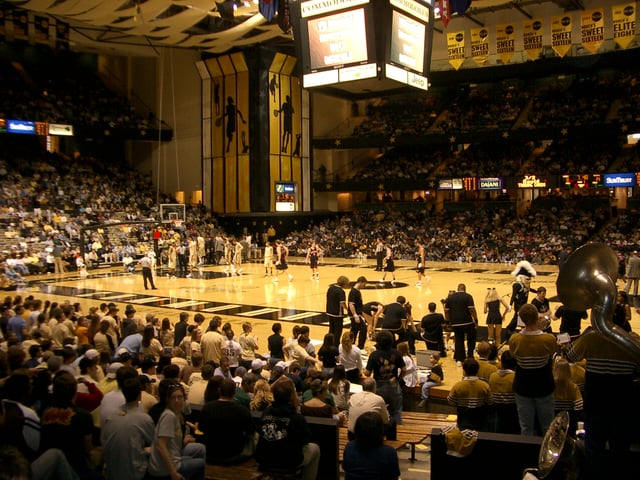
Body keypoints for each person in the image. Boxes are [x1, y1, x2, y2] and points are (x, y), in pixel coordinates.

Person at [565, 326, 639, 479]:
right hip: (622, 402)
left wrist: (583, 336)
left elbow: (572, 356)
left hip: (596, 402)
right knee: (620, 448)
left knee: (594, 447)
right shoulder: (632, 341)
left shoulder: (592, 337)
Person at [255, 380, 320, 480]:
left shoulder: (266, 412)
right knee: (315, 448)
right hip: (289, 462)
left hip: (264, 459)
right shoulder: (296, 417)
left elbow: (260, 431)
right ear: (290, 396)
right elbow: (305, 439)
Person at [508, 304, 556, 436]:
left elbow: (513, 355)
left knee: (525, 426)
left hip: (523, 387)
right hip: (544, 386)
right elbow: (552, 352)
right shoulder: (548, 338)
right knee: (548, 427)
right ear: (537, 317)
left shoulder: (514, 339)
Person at [148, 382, 206, 480]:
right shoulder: (169, 416)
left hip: (172, 460)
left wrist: (183, 443)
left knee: (198, 452)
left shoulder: (175, 414)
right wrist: (173, 473)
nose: (176, 401)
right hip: (163, 470)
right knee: (200, 463)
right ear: (167, 400)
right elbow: (160, 445)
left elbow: (172, 445)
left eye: (180, 397)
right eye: (173, 398)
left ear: (184, 399)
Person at [101, 377, 156, 480]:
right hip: (133, 473)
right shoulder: (144, 418)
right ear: (140, 395)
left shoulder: (111, 414)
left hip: (110, 469)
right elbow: (156, 443)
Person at [198, 378, 255, 465]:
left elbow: (201, 428)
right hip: (234, 454)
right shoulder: (242, 410)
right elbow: (251, 432)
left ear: (219, 390)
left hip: (211, 453)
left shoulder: (207, 408)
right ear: (234, 393)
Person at [343, 411, 401, 480]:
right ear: (380, 431)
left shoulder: (349, 447)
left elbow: (345, 469)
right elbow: (394, 477)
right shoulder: (389, 452)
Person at [364, 330, 405, 426]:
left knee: (378, 411)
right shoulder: (397, 353)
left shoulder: (374, 355)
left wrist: (363, 371)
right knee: (396, 411)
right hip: (393, 383)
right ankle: (398, 431)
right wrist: (398, 379)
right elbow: (404, 369)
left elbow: (367, 373)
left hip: (379, 385)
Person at [447, 358, 493, 431]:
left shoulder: (458, 386)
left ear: (464, 371)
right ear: (477, 370)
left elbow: (450, 401)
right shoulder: (485, 386)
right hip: (480, 422)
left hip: (463, 422)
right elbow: (490, 401)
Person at [444, 283, 479, 367]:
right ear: (465, 289)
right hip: (467, 322)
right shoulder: (468, 296)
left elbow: (446, 311)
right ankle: (470, 356)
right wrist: (476, 320)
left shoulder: (450, 297)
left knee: (459, 339)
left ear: (457, 289)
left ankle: (459, 359)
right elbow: (472, 310)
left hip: (455, 323)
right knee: (471, 337)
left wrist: (448, 322)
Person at [489, 350, 519, 434]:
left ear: (501, 362)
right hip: (513, 414)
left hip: (497, 412)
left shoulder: (492, 376)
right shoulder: (516, 378)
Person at [552, 357, 583, 434]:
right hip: (569, 426)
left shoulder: (550, 387)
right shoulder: (574, 387)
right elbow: (579, 406)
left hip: (552, 424)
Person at [507, 261, 537, 335]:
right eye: (527, 279)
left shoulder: (526, 285)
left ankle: (511, 328)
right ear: (522, 277)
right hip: (518, 304)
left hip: (524, 303)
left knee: (518, 317)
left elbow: (530, 289)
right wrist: (510, 305)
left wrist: (537, 292)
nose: (529, 280)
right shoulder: (517, 285)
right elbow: (513, 295)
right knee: (518, 317)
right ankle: (510, 329)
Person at [326, 275, 350, 342]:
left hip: (329, 312)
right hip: (337, 314)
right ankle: (336, 345)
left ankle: (329, 343)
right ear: (344, 283)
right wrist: (348, 310)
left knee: (331, 329)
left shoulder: (331, 288)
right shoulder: (340, 291)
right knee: (338, 331)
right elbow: (342, 303)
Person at [347, 276, 368, 349]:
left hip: (358, 314)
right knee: (363, 329)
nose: (364, 286)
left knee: (354, 330)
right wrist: (355, 315)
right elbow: (351, 304)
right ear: (360, 282)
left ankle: (350, 345)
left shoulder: (357, 291)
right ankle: (360, 347)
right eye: (364, 284)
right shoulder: (353, 292)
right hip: (355, 315)